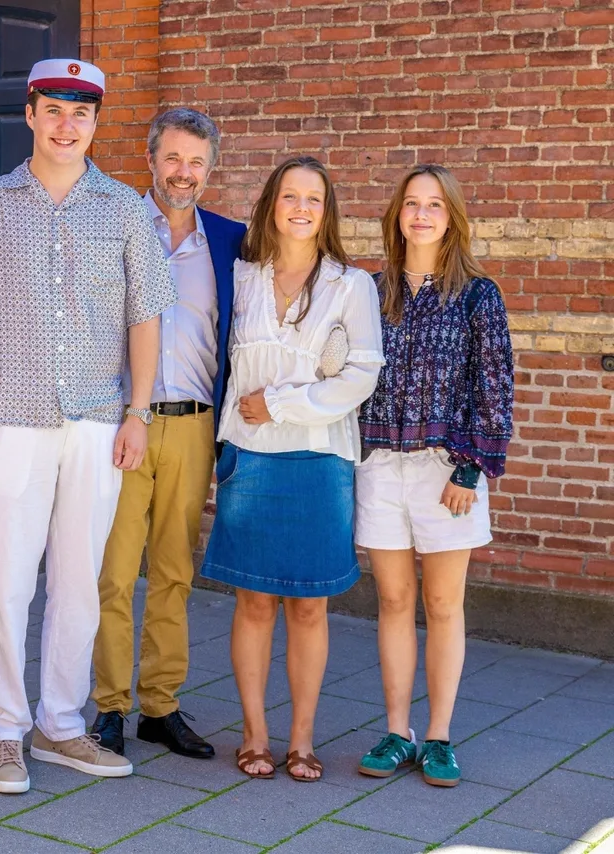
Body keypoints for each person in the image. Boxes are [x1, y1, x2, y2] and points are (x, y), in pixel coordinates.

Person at [0, 58, 176, 794]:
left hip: (97, 418)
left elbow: (146, 317)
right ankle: (3, 730)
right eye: (53, 109)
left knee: (81, 580)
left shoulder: (124, 210)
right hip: (12, 416)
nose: (66, 125)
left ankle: (59, 724)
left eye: (81, 113)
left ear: (95, 123)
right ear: (29, 114)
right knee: (5, 580)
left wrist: (138, 413)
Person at [199, 156, 383, 782]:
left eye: (313, 198)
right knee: (254, 601)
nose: (301, 208)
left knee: (308, 606)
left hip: (320, 459)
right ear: (271, 205)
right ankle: (254, 734)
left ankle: (302, 739)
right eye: (289, 196)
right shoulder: (242, 275)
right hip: (251, 457)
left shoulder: (350, 285)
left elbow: (361, 376)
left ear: (326, 211)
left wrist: (280, 403)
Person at [91, 108, 245, 759]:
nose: (184, 172)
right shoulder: (115, 225)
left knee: (175, 572)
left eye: (196, 162)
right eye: (173, 158)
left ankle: (160, 705)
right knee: (114, 572)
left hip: (193, 425)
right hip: (124, 423)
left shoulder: (231, 241)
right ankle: (108, 707)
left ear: (211, 170)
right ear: (151, 159)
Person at [355, 164, 514, 788]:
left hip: (447, 470)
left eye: (434, 205)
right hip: (379, 464)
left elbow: (495, 388)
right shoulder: (370, 291)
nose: (421, 215)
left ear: (452, 218)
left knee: (443, 604)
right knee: (393, 601)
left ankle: (440, 737)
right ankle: (398, 732)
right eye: (412, 204)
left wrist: (470, 469)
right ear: (397, 215)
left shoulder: (477, 295)